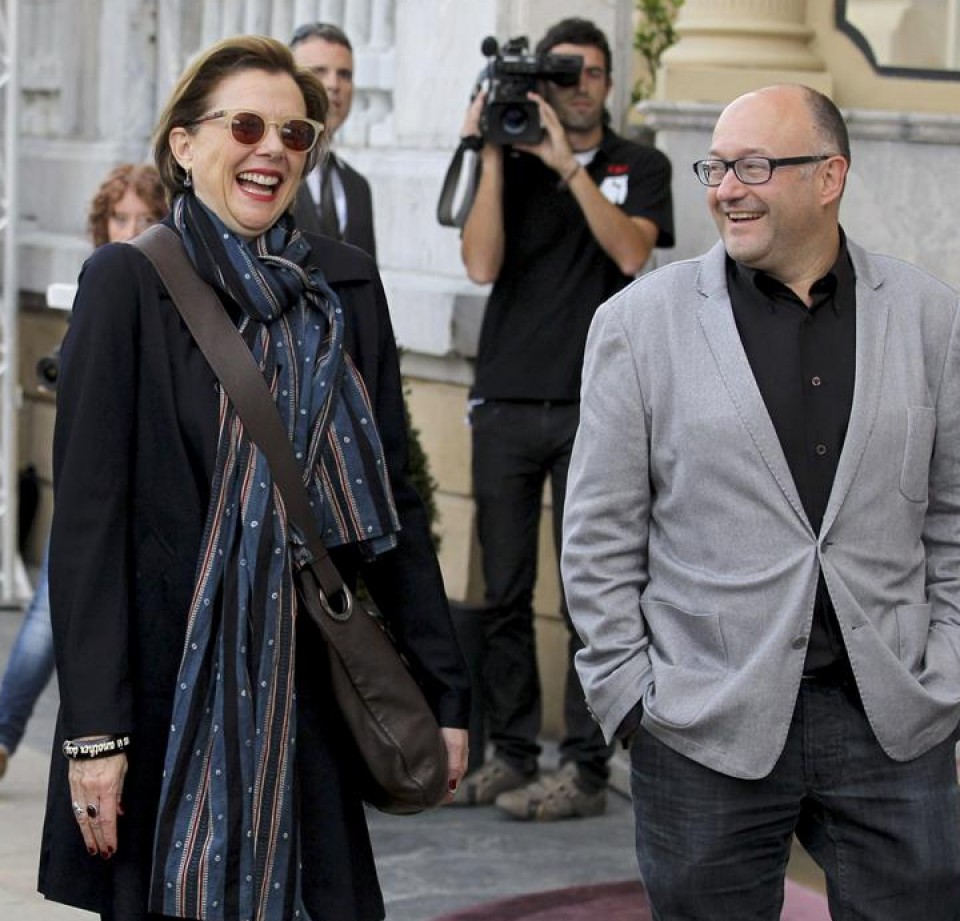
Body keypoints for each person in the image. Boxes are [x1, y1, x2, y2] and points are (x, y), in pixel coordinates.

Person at [38, 35, 469, 921]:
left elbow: (397, 498)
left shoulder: (344, 289)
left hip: (310, 696)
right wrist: (95, 736)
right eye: (245, 124)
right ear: (186, 145)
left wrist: (443, 688)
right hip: (164, 708)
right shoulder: (126, 284)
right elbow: (86, 527)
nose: (272, 147)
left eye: (295, 133)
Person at [563, 83, 960, 919]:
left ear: (829, 177)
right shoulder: (638, 324)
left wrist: (948, 670)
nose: (724, 188)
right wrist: (632, 700)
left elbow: (951, 514)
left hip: (892, 720)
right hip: (704, 722)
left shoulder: (929, 316)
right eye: (717, 166)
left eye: (753, 165)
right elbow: (599, 535)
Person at [452, 17, 674, 821]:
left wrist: (570, 169)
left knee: (592, 598)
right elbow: (479, 263)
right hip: (507, 402)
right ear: (543, 83)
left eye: (592, 73)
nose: (579, 86)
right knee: (505, 593)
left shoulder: (638, 165)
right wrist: (487, 151)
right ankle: (511, 752)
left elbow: (630, 255)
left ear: (611, 84)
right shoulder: (505, 162)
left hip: (597, 410)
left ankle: (583, 765)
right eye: (564, 72)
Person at [0, 163, 165, 783]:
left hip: (153, 498)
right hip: (92, 496)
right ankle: (4, 736)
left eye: (145, 219)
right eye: (120, 219)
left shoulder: (178, 289)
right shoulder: (99, 283)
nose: (130, 230)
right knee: (46, 619)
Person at [290, 22, 377, 259]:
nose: (333, 84)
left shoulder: (358, 187)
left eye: (344, 74)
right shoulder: (267, 172)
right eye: (319, 71)